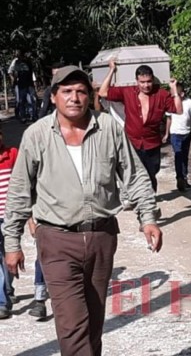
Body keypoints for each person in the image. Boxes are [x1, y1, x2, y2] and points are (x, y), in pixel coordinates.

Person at [2, 66, 162, 355]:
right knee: (72, 324)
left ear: (90, 96)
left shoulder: (108, 128)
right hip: (56, 240)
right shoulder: (37, 135)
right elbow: (19, 190)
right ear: (53, 97)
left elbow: (134, 175)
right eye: (66, 91)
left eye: (81, 91)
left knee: (93, 322)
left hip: (102, 237)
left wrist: (147, 217)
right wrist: (12, 243)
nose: (74, 98)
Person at [98, 59, 183, 192]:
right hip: (131, 141)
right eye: (142, 82)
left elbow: (178, 110)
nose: (146, 85)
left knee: (152, 171)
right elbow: (103, 92)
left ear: (153, 80)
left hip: (152, 143)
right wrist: (111, 70)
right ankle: (139, 196)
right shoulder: (128, 91)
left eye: (149, 81)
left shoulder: (161, 94)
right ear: (136, 81)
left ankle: (150, 193)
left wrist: (174, 91)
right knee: (132, 172)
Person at [163, 82, 191, 191]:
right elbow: (169, 119)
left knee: (184, 156)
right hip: (175, 134)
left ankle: (184, 177)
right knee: (178, 155)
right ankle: (179, 177)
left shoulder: (189, 102)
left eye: (175, 93)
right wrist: (166, 133)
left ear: (182, 94)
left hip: (186, 134)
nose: (173, 95)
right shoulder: (171, 103)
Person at [0, 126, 18, 319]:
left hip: (10, 217)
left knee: (9, 255)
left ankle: (7, 287)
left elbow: (23, 182)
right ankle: (2, 301)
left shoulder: (12, 155)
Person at [9, 49, 37, 123]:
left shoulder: (28, 62)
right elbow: (15, 73)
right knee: (22, 100)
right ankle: (24, 116)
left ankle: (32, 115)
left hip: (28, 83)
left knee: (31, 100)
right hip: (22, 84)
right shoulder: (17, 62)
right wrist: (14, 81)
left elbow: (30, 72)